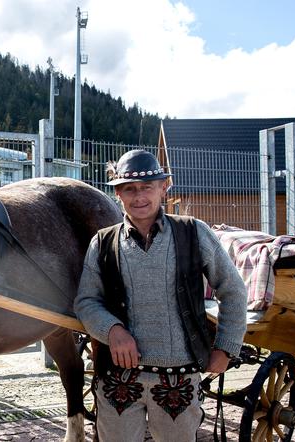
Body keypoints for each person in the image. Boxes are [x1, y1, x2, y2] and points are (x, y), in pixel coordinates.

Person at [75, 149, 247, 441]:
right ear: (118, 193)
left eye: (147, 187)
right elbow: (86, 301)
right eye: (129, 189)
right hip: (118, 380)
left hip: (178, 379)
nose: (138, 196)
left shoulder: (194, 233)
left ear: (164, 187)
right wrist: (112, 330)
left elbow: (233, 291)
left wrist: (226, 347)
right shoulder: (103, 242)